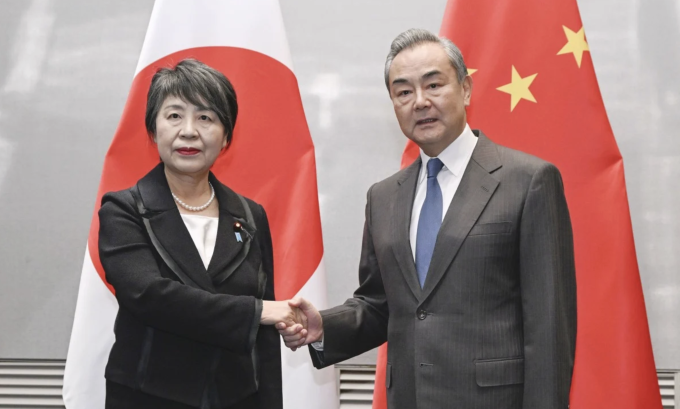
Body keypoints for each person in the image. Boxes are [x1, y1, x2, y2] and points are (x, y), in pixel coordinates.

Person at [278, 29, 577, 409]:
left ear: (466, 89)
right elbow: (379, 304)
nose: (420, 102)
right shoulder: (383, 196)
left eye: (433, 85)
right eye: (403, 92)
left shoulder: (528, 181)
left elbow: (550, 329)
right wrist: (324, 327)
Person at [99, 59, 301, 409]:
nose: (189, 131)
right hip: (148, 398)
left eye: (205, 118)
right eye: (174, 115)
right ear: (153, 129)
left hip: (237, 398)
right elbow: (151, 296)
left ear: (226, 136)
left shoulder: (250, 216)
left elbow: (264, 347)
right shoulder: (123, 210)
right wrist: (258, 311)